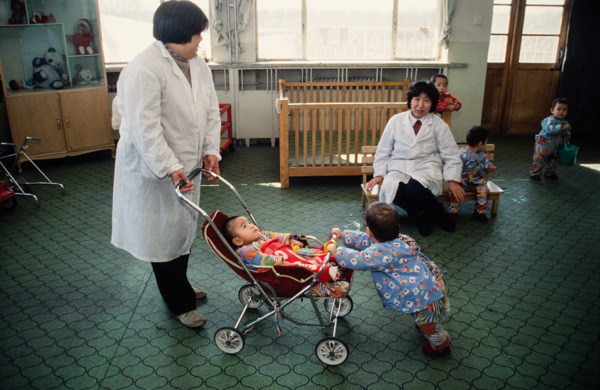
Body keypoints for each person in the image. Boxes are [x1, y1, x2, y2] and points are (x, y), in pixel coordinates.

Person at [111, 1, 221, 329]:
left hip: (187, 166)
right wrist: (169, 165)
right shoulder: (143, 70)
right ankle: (179, 303)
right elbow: (146, 131)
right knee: (163, 240)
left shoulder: (197, 64)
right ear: (174, 36)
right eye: (195, 35)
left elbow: (210, 111)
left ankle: (181, 286)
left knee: (181, 233)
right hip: (155, 172)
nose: (200, 40)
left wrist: (210, 150)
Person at [326, 202, 451, 355]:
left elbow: (360, 259)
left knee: (429, 327)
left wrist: (337, 251)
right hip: (428, 285)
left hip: (425, 297)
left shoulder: (381, 252)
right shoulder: (401, 239)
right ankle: (424, 322)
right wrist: (343, 235)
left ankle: (442, 346)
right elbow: (367, 240)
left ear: (369, 230)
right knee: (424, 318)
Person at [366, 80, 465, 236]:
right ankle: (423, 214)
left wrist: (452, 180)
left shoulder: (439, 125)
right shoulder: (396, 121)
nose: (420, 105)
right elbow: (383, 150)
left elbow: (451, 154)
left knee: (413, 188)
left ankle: (435, 213)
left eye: (426, 100)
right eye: (417, 99)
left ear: (432, 104)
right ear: (410, 100)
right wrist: (379, 174)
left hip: (426, 167)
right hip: (399, 167)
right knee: (392, 188)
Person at [221, 216, 341, 282]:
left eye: (249, 222)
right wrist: (279, 258)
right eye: (245, 226)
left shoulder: (261, 235)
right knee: (301, 266)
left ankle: (331, 259)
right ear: (238, 241)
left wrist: (290, 241)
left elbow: (276, 236)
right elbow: (263, 260)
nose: (251, 225)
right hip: (279, 267)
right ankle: (326, 272)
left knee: (309, 255)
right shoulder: (246, 251)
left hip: (286, 253)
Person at [447, 126, 497, 224]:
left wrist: (489, 166)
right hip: (462, 181)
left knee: (483, 191)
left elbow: (484, 162)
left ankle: (480, 212)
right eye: (485, 142)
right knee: (455, 193)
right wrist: (458, 179)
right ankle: (452, 212)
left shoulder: (481, 154)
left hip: (476, 181)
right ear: (480, 144)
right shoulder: (462, 154)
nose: (485, 144)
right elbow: (454, 167)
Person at [530, 98, 571, 180]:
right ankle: (535, 173)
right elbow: (550, 129)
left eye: (564, 110)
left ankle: (550, 172)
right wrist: (561, 127)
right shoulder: (548, 120)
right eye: (558, 109)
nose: (561, 112)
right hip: (544, 145)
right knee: (540, 159)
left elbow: (567, 131)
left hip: (556, 146)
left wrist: (567, 135)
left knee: (553, 160)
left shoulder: (565, 122)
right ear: (552, 110)